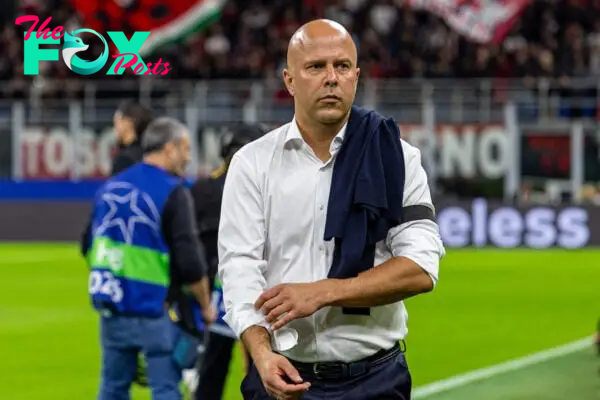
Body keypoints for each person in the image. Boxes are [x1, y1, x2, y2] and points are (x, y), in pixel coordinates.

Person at [218, 19, 445, 400]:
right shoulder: (252, 163)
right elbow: (239, 268)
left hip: (376, 379)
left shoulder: (397, 157)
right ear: (289, 80)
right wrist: (259, 354)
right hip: (280, 373)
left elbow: (421, 269)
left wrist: (323, 292)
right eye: (315, 67)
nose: (331, 78)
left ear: (356, 76)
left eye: (341, 67)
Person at [81, 117, 216, 400]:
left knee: (112, 388)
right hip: (155, 308)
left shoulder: (111, 187)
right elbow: (189, 258)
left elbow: (87, 245)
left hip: (113, 307)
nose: (188, 158)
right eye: (186, 149)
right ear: (170, 149)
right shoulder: (173, 191)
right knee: (165, 389)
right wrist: (205, 306)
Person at [188, 124, 265, 400]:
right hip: (259, 288)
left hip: (216, 290)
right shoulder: (263, 185)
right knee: (262, 365)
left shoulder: (201, 188)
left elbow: (188, 242)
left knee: (212, 368)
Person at [111, 100, 154, 175]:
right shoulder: (152, 152)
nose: (115, 128)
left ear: (128, 122)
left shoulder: (124, 160)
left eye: (117, 122)